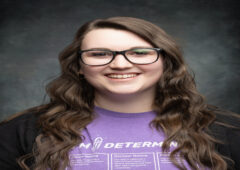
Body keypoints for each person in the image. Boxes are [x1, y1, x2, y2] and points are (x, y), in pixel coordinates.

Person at [0, 16, 239, 170]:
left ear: (166, 61)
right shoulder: (23, 131)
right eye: (100, 54)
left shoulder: (226, 130)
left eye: (139, 52)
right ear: (79, 66)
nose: (121, 64)